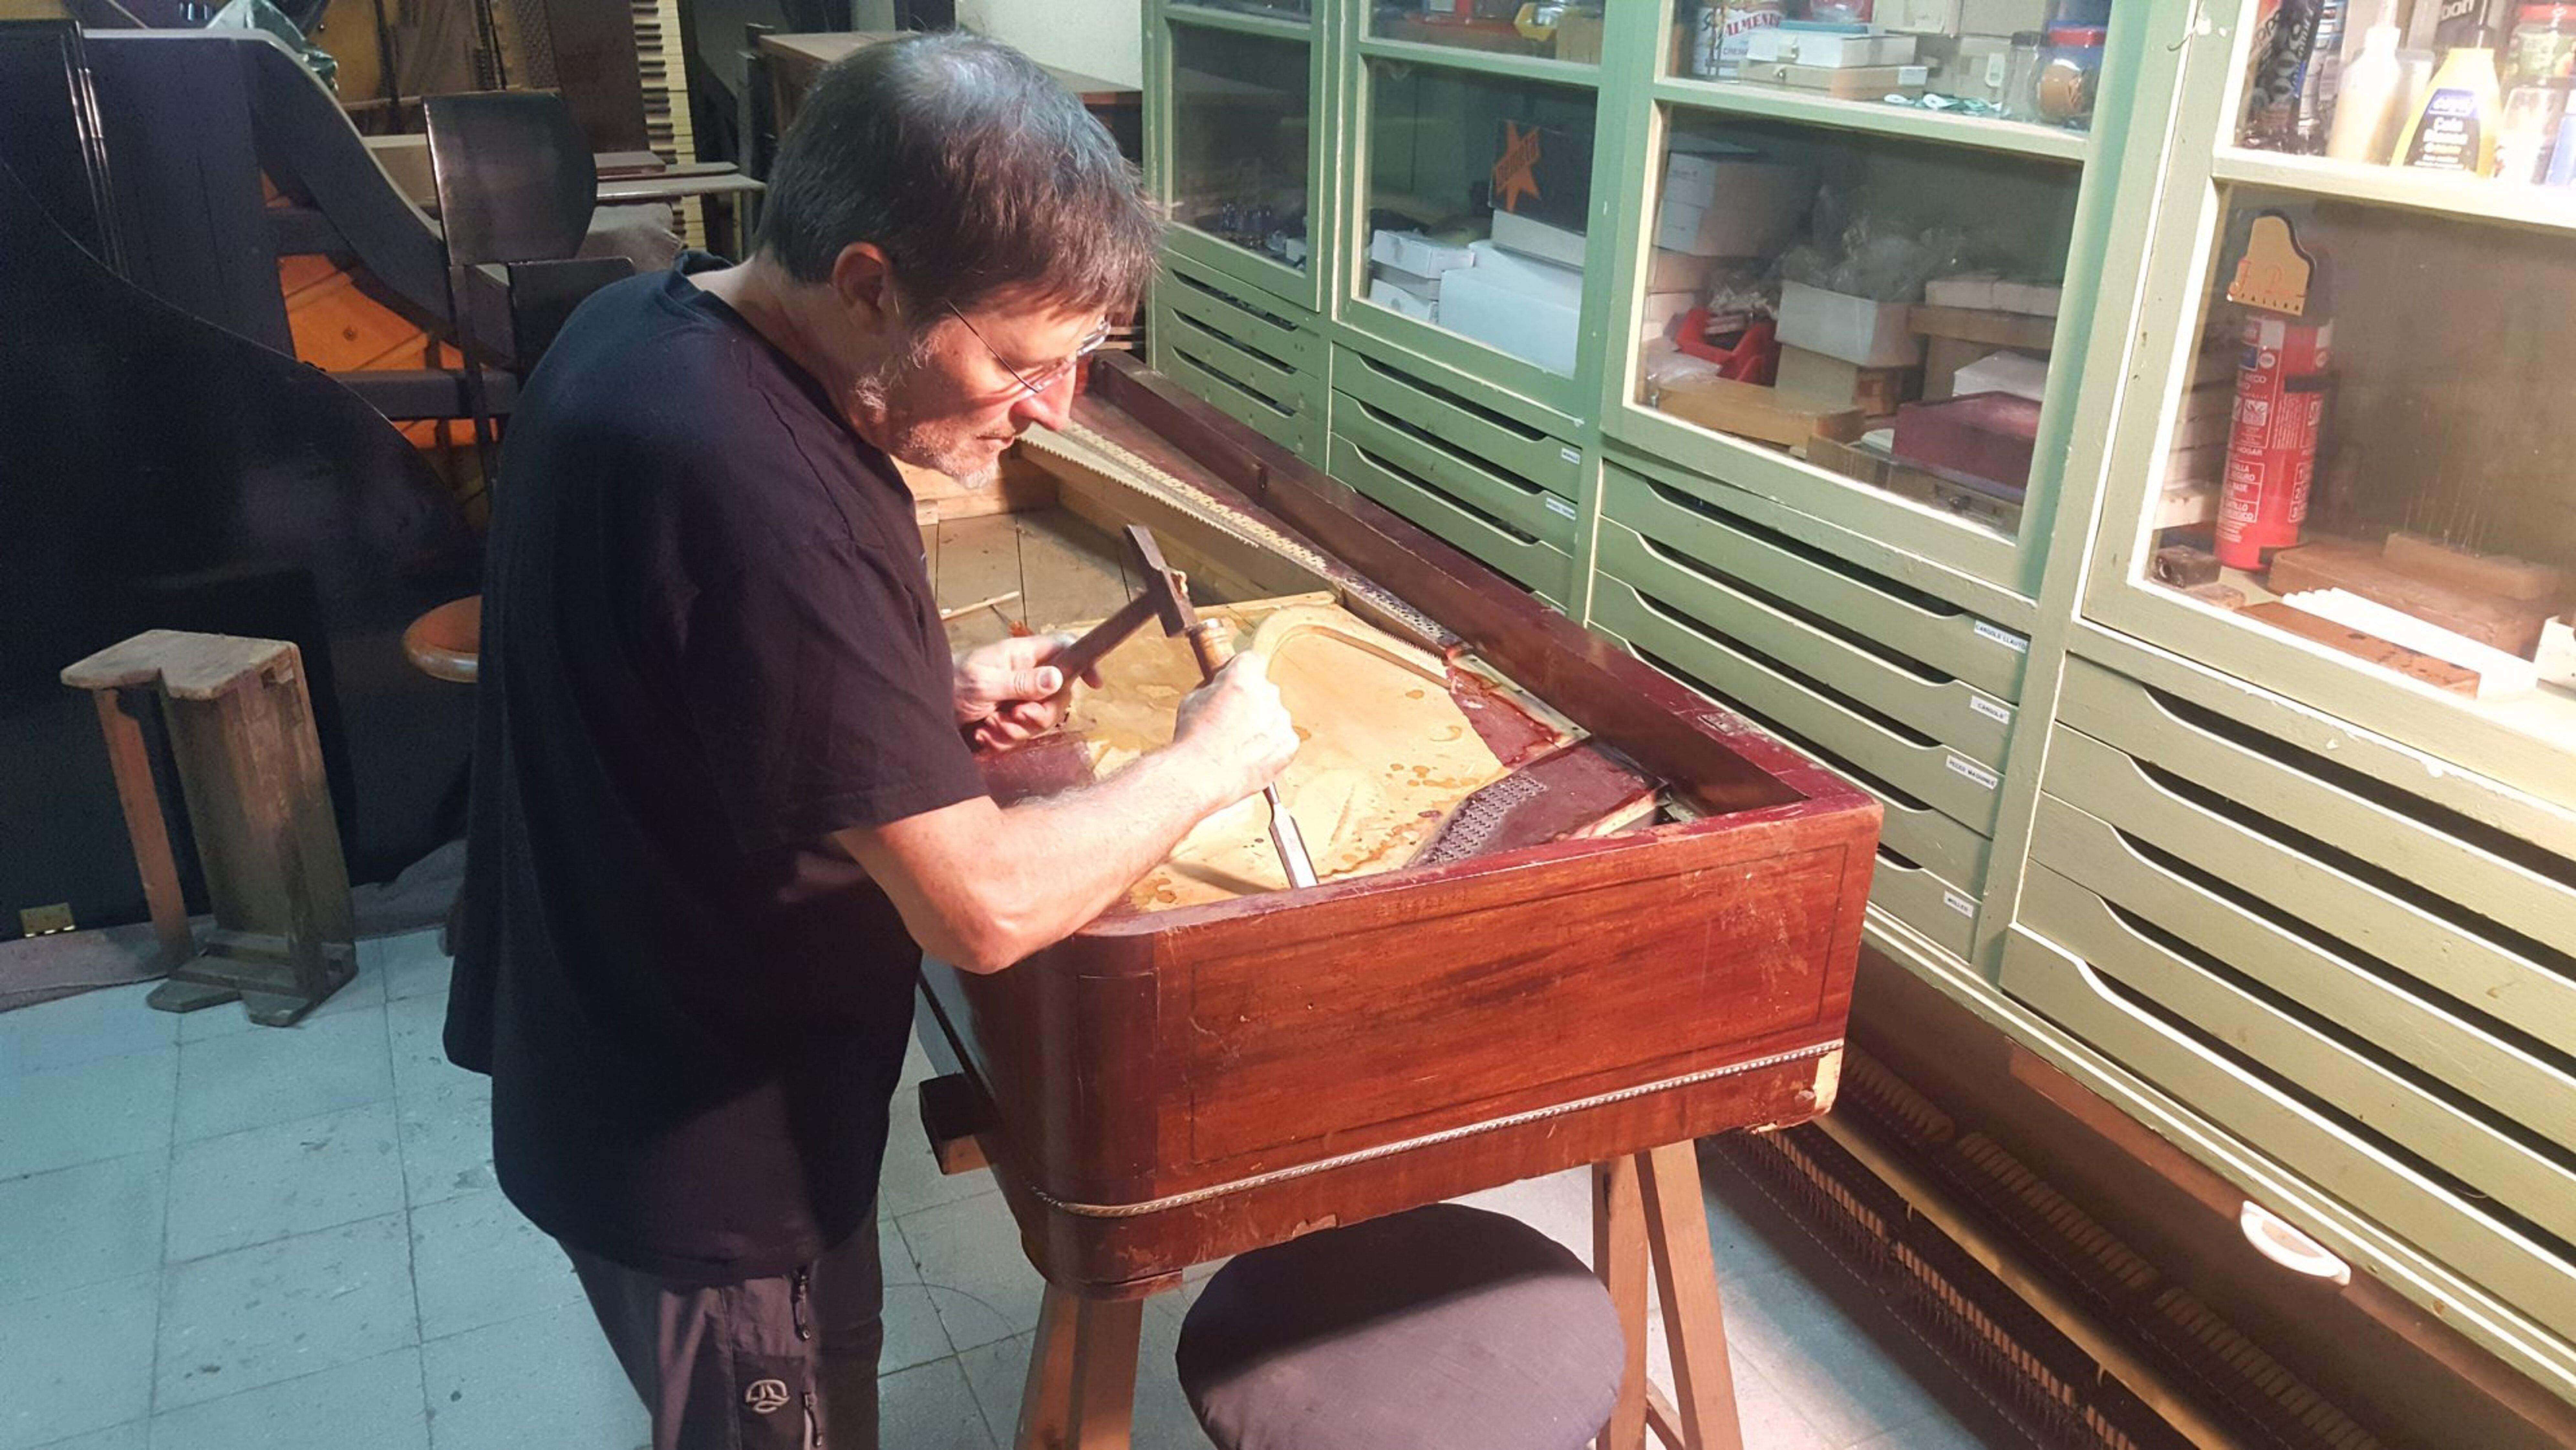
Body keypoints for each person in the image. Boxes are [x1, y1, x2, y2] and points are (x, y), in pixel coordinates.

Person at [443, 33, 1298, 1450]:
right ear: (866, 285)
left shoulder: (637, 327)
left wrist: (912, 698)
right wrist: (1209, 760)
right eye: (1019, 360)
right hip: (705, 1160)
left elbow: (676, 674)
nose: (1054, 409)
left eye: (1082, 358)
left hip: (601, 1050)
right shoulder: (775, 497)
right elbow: (984, 907)